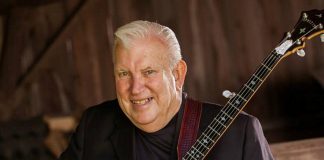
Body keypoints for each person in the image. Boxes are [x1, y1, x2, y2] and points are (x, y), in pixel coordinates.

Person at [59, 20, 274, 160]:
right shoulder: (95, 125)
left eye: (149, 71)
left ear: (178, 74)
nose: (135, 88)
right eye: (124, 74)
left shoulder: (238, 132)